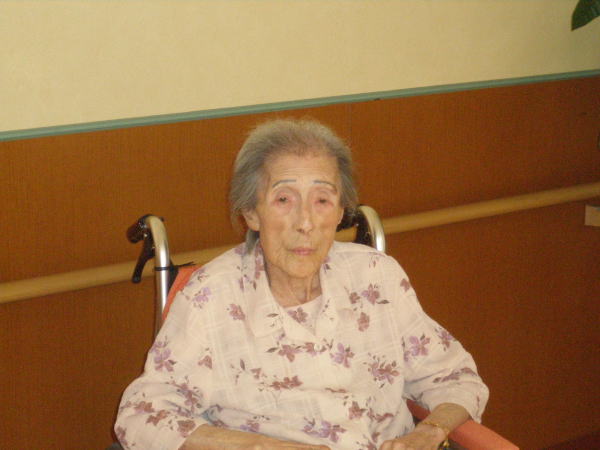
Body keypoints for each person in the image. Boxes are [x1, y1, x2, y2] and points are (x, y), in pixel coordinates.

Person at [115, 119, 488, 450]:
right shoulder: (211, 297)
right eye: (283, 199)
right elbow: (142, 417)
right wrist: (261, 447)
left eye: (322, 200)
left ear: (340, 212)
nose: (305, 222)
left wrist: (429, 432)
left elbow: (455, 377)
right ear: (251, 213)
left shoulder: (377, 276)